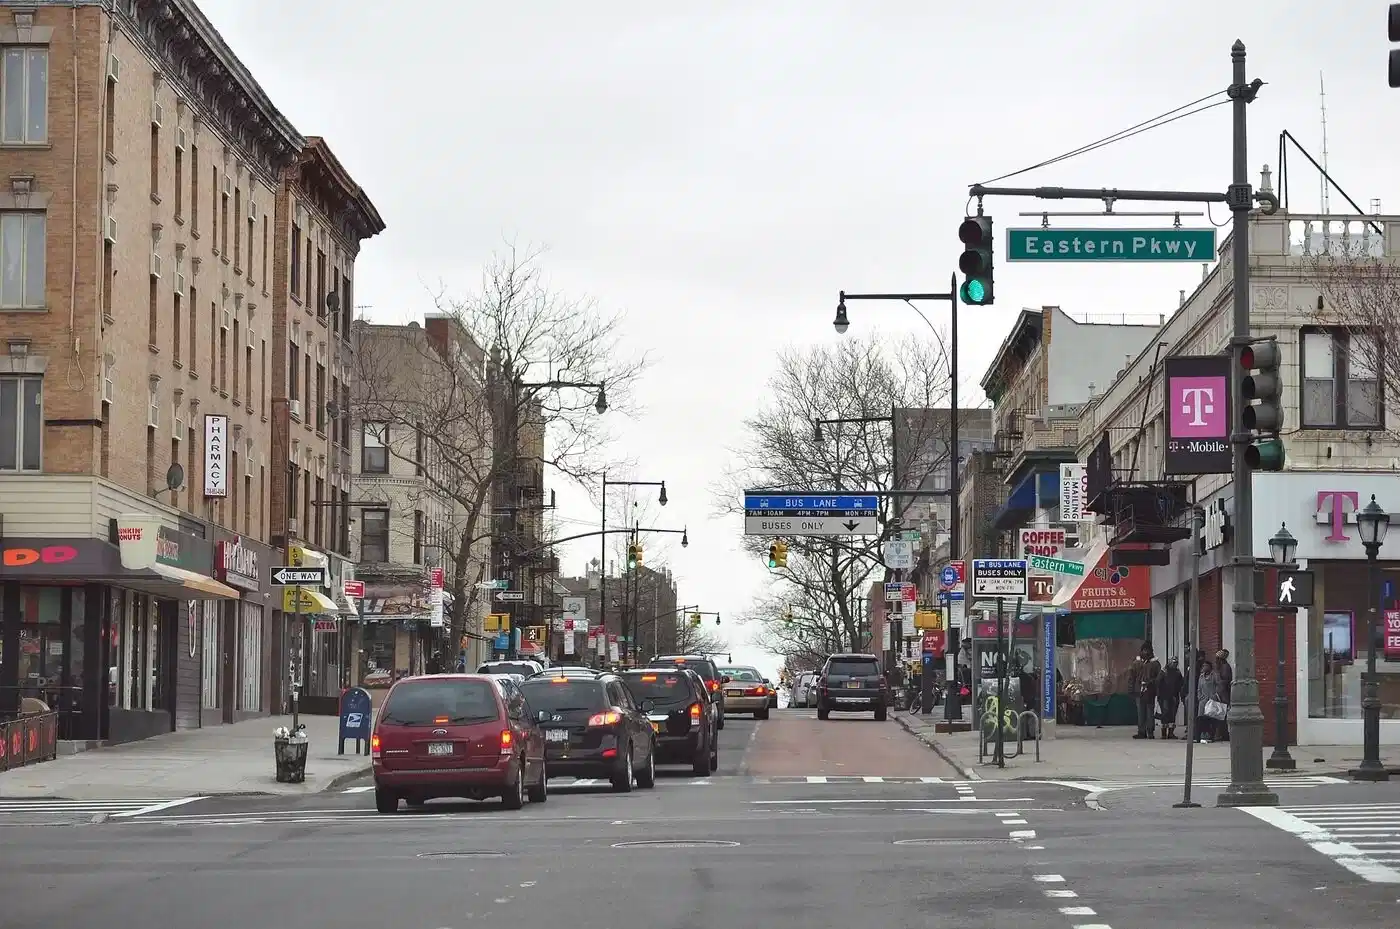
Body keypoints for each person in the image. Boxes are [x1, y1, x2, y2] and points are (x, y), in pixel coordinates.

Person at [1129, 643, 1162, 739]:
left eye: (1147, 650)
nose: (1146, 652)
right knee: (1140, 712)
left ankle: (1150, 731)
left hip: (1150, 691)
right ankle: (1141, 732)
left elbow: (1158, 678)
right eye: (1144, 650)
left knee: (1149, 712)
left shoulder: (1155, 663)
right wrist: (1131, 689)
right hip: (1139, 691)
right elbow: (1131, 677)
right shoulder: (1136, 663)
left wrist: (1151, 683)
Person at [1157, 656, 1185, 739]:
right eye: (1173, 662)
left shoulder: (1177, 672)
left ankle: (1171, 733)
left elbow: (1181, 683)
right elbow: (1158, 682)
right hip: (1164, 696)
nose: (1175, 664)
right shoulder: (1164, 671)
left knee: (1172, 715)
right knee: (1165, 714)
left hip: (1174, 696)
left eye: (1176, 663)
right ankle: (1163, 733)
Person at [1214, 649, 1233, 743]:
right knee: (1220, 715)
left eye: (1217, 658)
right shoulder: (1220, 667)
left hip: (1223, 694)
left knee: (1221, 715)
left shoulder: (1225, 667)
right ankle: (1222, 733)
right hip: (1220, 693)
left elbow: (1224, 682)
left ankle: (1222, 734)